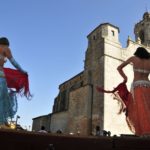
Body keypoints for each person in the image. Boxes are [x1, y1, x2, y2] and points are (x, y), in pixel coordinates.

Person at [117, 47, 150, 136]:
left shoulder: (133, 59)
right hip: (148, 85)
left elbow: (119, 68)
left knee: (140, 109)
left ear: (137, 53)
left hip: (137, 86)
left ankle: (144, 131)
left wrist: (125, 78)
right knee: (148, 107)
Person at [0, 37, 29, 127]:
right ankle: (2, 120)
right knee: (3, 99)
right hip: (0, 76)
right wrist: (22, 71)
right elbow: (13, 62)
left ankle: (3, 119)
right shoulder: (5, 48)